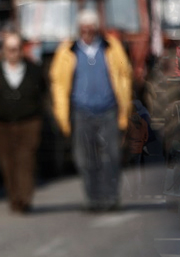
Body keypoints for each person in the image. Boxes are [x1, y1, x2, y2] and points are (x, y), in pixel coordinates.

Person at [50, 9, 133, 211]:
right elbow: (58, 84)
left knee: (111, 156)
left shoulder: (111, 48)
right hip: (81, 111)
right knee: (85, 159)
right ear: (79, 29)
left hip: (108, 110)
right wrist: (62, 115)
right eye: (83, 28)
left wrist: (125, 108)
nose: (87, 31)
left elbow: (124, 75)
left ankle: (111, 197)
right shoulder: (67, 52)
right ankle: (93, 198)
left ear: (96, 28)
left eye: (91, 27)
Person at [0, 32, 47, 213]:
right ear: (4, 51)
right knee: (7, 162)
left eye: (16, 49)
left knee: (25, 160)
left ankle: (24, 198)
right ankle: (13, 197)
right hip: (2, 124)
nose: (13, 53)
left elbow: (42, 90)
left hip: (28, 122)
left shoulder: (33, 70)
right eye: (9, 49)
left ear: (21, 50)